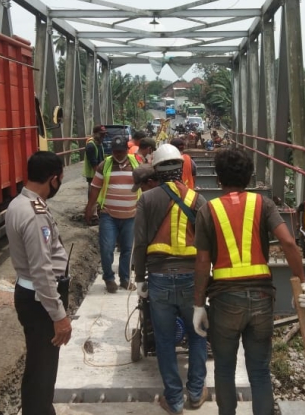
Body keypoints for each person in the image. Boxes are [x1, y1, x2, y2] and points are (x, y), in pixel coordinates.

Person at [192, 148, 305, 415]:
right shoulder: (263, 205)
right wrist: (302, 281)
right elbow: (289, 242)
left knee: (224, 368)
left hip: (224, 301)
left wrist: (198, 305)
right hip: (260, 299)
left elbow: (202, 263)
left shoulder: (208, 211)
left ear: (219, 179)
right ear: (248, 178)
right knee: (259, 371)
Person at [132, 144, 209, 414]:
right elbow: (208, 246)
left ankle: (174, 400)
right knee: (198, 334)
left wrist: (139, 277)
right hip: (191, 279)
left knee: (164, 340)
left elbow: (140, 243)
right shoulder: (199, 200)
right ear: (181, 168)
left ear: (156, 170)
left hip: (159, 278)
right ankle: (197, 393)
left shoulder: (147, 199)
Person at [5, 151, 72, 415]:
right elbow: (42, 270)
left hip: (32, 295)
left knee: (38, 364)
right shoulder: (35, 214)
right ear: (53, 179)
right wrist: (59, 315)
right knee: (43, 368)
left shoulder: (19, 203)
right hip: (40, 299)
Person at [85, 136, 140, 293]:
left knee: (127, 249)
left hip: (131, 215)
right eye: (115, 151)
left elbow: (146, 183)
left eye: (121, 151)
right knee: (107, 247)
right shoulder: (105, 165)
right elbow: (95, 187)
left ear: (126, 150)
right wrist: (89, 207)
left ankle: (125, 279)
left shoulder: (136, 164)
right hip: (108, 214)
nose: (118, 154)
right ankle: (109, 278)